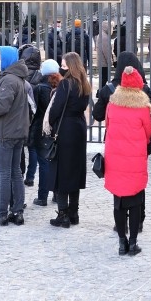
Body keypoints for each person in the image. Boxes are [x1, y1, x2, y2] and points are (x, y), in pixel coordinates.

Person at [0, 45, 33, 227]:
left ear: (7, 59)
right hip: (17, 131)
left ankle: (2, 213)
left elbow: (2, 106)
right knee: (15, 172)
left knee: (4, 174)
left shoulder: (8, 80)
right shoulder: (19, 79)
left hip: (5, 133)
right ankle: (17, 211)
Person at [104, 65, 151, 255]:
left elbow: (107, 126)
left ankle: (121, 242)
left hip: (115, 159)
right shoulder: (142, 108)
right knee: (135, 201)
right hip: (135, 160)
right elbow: (148, 133)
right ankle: (133, 243)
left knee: (119, 201)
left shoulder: (112, 105)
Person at [49, 51, 92, 228]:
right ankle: (74, 213)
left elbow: (56, 109)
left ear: (70, 66)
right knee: (75, 170)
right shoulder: (84, 84)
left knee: (62, 171)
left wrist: (50, 122)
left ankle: (63, 214)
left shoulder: (65, 84)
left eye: (64, 64)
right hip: (79, 128)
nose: (61, 67)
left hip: (65, 128)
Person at [30, 59, 60, 206]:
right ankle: (56, 194)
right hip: (57, 129)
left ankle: (42, 197)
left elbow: (33, 111)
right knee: (55, 161)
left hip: (41, 130)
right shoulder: (61, 87)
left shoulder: (39, 88)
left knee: (43, 163)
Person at [19, 44, 43, 188]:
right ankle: (30, 176)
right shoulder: (41, 75)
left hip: (22, 115)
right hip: (36, 115)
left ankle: (19, 173)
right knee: (33, 148)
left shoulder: (20, 73)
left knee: (20, 148)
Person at [96, 20, 114, 89]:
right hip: (104, 62)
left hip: (101, 61)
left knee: (103, 79)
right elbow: (106, 51)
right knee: (104, 78)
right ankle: (100, 92)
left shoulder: (102, 34)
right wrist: (110, 62)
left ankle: (100, 92)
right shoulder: (104, 37)